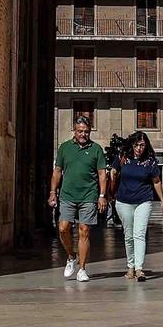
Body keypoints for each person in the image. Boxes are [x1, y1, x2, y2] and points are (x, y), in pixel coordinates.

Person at [48, 116, 107, 282]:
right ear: (74, 131)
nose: (83, 134)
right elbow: (57, 171)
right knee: (62, 228)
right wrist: (53, 192)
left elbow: (102, 174)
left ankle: (82, 269)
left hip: (89, 195)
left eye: (86, 131)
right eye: (80, 131)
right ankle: (71, 256)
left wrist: (102, 196)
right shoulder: (64, 148)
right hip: (67, 195)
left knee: (84, 230)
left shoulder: (96, 149)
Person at [114, 132, 163, 281]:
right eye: (136, 145)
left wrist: (162, 200)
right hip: (123, 201)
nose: (139, 148)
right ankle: (130, 266)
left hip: (144, 200)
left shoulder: (150, 161)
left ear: (146, 146)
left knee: (139, 234)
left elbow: (156, 181)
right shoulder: (122, 157)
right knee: (129, 236)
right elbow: (113, 173)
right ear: (132, 144)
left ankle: (139, 269)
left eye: (142, 145)